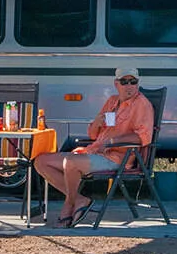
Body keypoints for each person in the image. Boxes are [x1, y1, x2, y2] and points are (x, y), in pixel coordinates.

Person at [33, 67, 154, 227]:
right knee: (40, 161)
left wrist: (112, 141)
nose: (129, 85)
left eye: (133, 81)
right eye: (125, 81)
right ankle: (80, 199)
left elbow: (143, 137)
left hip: (117, 157)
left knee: (70, 162)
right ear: (116, 84)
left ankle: (69, 205)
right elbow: (92, 135)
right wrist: (97, 123)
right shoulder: (112, 101)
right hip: (94, 151)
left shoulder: (142, 104)